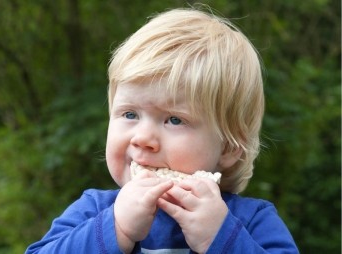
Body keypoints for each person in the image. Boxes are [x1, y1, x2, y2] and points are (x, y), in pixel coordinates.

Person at [25, 7, 299, 254]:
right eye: (130, 114)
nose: (143, 138)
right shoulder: (94, 210)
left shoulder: (252, 220)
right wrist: (115, 228)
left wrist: (222, 239)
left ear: (227, 148)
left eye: (174, 120)